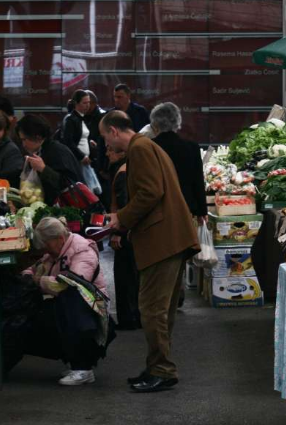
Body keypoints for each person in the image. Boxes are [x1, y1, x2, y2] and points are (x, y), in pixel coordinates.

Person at [101, 111, 199, 393]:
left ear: (115, 131)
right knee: (161, 310)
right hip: (170, 237)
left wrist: (122, 218)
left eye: (105, 136)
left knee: (152, 309)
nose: (106, 143)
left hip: (162, 240)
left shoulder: (140, 149)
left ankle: (163, 370)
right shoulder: (147, 145)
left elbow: (149, 192)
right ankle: (157, 366)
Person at [21, 217, 112, 386]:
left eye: (47, 244)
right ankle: (76, 363)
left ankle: (83, 368)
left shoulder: (82, 250)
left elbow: (73, 283)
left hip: (93, 312)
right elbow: (32, 269)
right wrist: (28, 276)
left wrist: (38, 280)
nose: (45, 249)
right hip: (71, 308)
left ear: (59, 239)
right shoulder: (53, 253)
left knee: (71, 297)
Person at [151, 102, 208, 221]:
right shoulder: (192, 147)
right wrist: (202, 211)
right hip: (185, 208)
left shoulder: (150, 147)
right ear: (177, 122)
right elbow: (198, 180)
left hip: (157, 211)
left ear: (155, 124)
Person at [107, 146, 141, 330]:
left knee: (125, 276)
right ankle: (137, 316)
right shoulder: (135, 169)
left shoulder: (122, 174)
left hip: (125, 232)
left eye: (110, 150)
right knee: (136, 276)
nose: (106, 154)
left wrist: (117, 233)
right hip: (137, 232)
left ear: (122, 154)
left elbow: (123, 206)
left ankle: (128, 319)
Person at [16, 114, 83, 205]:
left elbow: (70, 183)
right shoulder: (39, 151)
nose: (23, 144)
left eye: (24, 139)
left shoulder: (57, 151)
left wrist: (43, 169)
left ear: (38, 137)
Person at [62, 90, 101, 194]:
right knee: (83, 192)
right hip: (77, 162)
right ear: (76, 104)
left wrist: (89, 143)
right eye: (84, 103)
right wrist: (81, 156)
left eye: (89, 102)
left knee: (89, 191)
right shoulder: (71, 120)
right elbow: (68, 142)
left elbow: (83, 138)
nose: (87, 105)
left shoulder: (82, 118)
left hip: (85, 162)